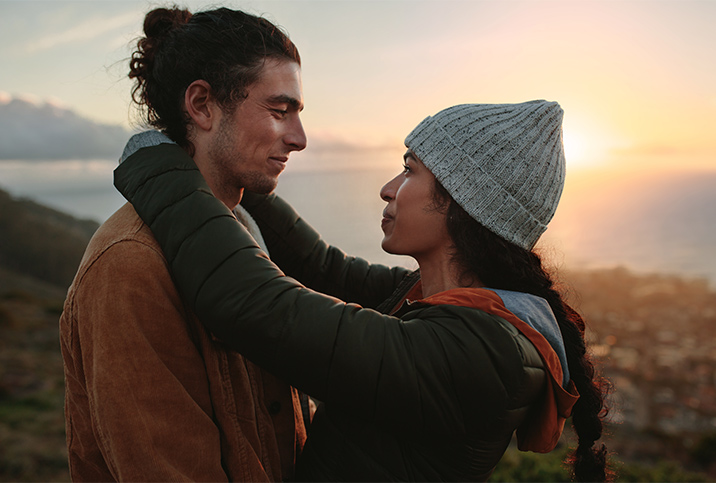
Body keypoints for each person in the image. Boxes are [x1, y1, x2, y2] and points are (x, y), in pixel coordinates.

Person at [114, 101, 610, 481]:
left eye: (411, 170)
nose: (389, 187)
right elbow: (318, 268)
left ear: (462, 204)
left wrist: (159, 167)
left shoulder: (480, 356)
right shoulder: (431, 302)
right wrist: (237, 175)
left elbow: (257, 304)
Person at [59, 6, 309, 481]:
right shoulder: (130, 265)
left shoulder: (243, 236)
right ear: (201, 105)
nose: (298, 138)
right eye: (280, 111)